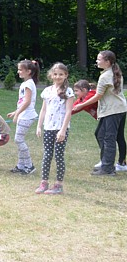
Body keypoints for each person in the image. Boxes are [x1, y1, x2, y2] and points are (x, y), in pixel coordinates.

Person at [73, 50, 127, 176]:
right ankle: (106, 163)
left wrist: (82, 105)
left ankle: (108, 169)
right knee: (100, 134)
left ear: (107, 62)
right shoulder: (112, 72)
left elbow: (98, 96)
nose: (97, 61)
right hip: (118, 109)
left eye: (99, 59)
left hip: (113, 111)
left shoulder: (105, 76)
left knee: (108, 138)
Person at [35, 62, 74, 194]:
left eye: (61, 74)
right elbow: (43, 110)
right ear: (51, 75)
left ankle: (58, 185)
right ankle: (44, 183)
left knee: (58, 156)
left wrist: (63, 130)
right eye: (55, 74)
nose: (58, 77)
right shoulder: (47, 91)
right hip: (48, 128)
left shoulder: (68, 91)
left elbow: (69, 112)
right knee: (47, 155)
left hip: (60, 128)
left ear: (66, 75)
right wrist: (39, 126)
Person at [6, 60, 39, 174]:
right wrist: (15, 112)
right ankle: (20, 166)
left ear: (28, 71)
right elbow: (22, 102)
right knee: (19, 140)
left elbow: (27, 102)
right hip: (23, 115)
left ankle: (29, 166)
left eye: (20, 70)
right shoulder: (26, 83)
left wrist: (17, 114)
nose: (18, 72)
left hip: (27, 116)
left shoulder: (29, 84)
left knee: (18, 140)